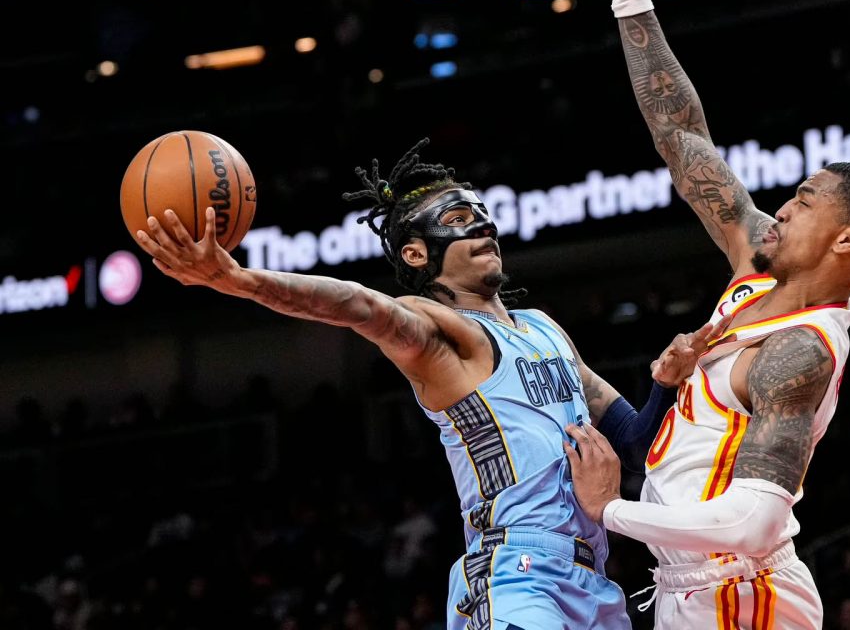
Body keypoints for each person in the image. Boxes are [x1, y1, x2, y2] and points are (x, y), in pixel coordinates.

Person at [133, 137, 694, 630]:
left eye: (481, 213)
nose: (482, 226)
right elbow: (357, 305)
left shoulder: (546, 331)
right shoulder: (440, 335)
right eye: (456, 220)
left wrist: (666, 386)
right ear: (415, 253)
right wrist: (241, 280)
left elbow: (641, 447)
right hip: (518, 578)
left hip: (596, 583)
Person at [565, 0, 850, 629]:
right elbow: (682, 134)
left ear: (849, 239)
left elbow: (753, 525)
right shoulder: (757, 264)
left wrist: (610, 511)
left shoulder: (801, 352)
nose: (780, 208)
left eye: (805, 201)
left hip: (740, 588)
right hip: (699, 587)